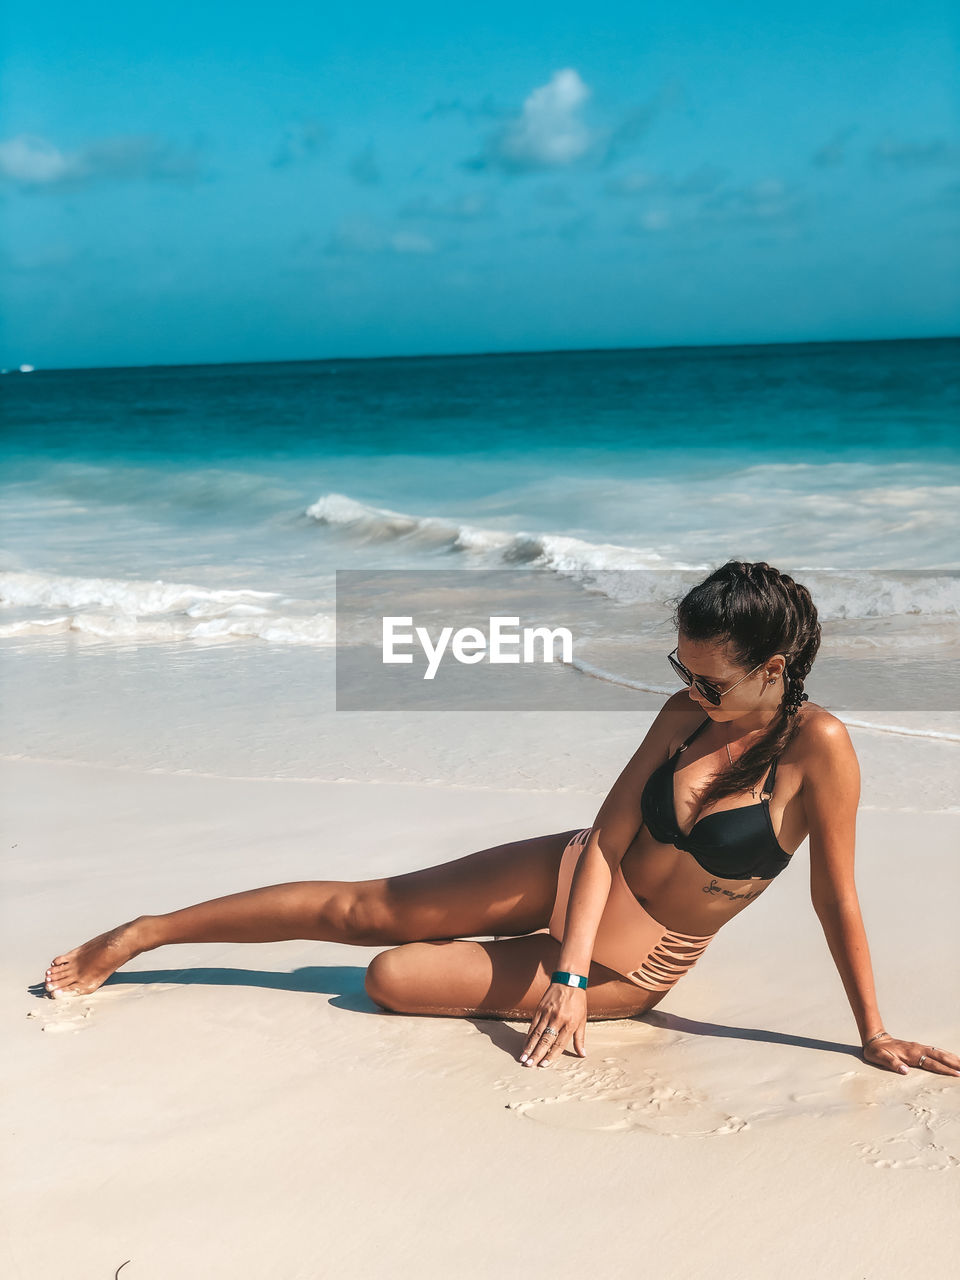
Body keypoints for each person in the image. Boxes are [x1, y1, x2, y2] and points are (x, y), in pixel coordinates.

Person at [43, 560, 959, 1081]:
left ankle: (535, 962)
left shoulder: (821, 749)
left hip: (633, 961)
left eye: (707, 676)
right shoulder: (688, 715)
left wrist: (872, 1030)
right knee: (372, 907)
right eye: (677, 666)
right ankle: (147, 933)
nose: (687, 688)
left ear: (772, 663)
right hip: (578, 878)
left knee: (391, 976)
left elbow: (835, 900)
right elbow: (605, 836)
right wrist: (559, 962)